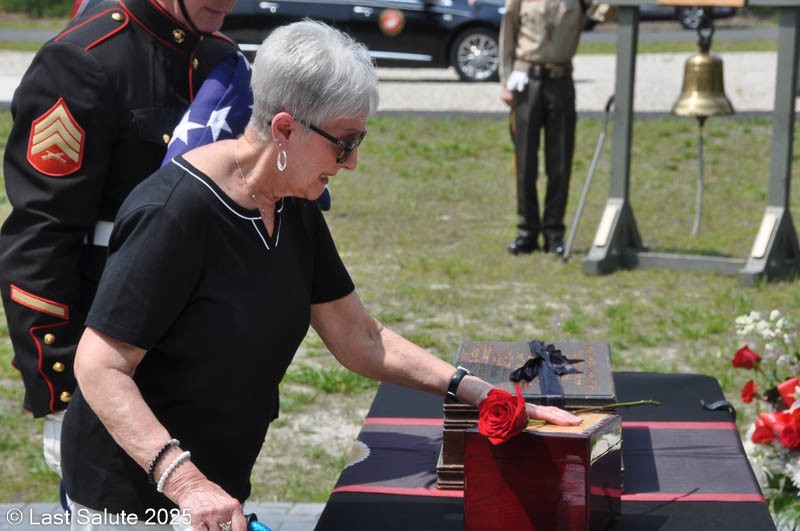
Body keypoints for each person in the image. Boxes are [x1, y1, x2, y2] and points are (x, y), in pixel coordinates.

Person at [60, 20, 583, 530]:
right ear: (285, 129)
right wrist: (186, 482)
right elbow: (100, 366)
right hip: (134, 499)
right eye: (345, 142)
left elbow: (360, 336)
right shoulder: (173, 214)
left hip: (215, 492)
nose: (352, 163)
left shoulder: (292, 201)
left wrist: (479, 392)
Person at [0, 0, 239, 483]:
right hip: (110, 353)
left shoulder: (221, 59)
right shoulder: (83, 59)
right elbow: (41, 236)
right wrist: (63, 390)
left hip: (198, 354)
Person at [500, 0, 589, 256]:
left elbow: (607, 12)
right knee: (524, 161)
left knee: (560, 162)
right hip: (527, 80)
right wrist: (505, 80)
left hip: (561, 81)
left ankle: (553, 232)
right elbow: (508, 31)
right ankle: (526, 231)